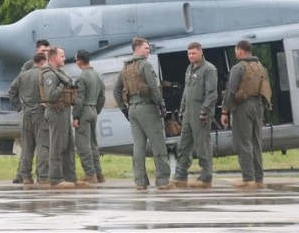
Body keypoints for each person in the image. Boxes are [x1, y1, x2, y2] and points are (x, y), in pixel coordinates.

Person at [113, 37, 174, 190]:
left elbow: (116, 91)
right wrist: (161, 105)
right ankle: (163, 181)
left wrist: (125, 110)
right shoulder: (145, 65)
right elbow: (154, 87)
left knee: (138, 146)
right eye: (146, 48)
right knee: (158, 144)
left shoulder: (125, 68)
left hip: (132, 110)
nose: (149, 50)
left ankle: (140, 182)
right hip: (147, 108)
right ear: (138, 49)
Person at [221, 40, 272, 189]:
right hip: (259, 105)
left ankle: (248, 179)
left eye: (236, 51)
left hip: (243, 106)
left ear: (240, 51)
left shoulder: (238, 68)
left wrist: (225, 110)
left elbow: (231, 91)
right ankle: (259, 179)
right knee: (256, 142)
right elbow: (267, 88)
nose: (235, 53)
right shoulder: (261, 67)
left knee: (243, 142)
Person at [41, 46, 88, 189]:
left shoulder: (59, 73)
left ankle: (70, 177)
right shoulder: (50, 75)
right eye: (61, 56)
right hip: (56, 112)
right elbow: (51, 95)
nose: (64, 58)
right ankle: (55, 179)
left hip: (64, 112)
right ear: (54, 58)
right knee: (57, 146)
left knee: (68, 146)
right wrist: (61, 86)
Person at [173, 41, 218, 188]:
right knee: (184, 144)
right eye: (189, 53)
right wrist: (182, 108)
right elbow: (186, 90)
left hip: (201, 111)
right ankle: (180, 176)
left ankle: (206, 177)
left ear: (201, 52)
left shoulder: (209, 69)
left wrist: (205, 111)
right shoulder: (189, 69)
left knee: (202, 144)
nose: (191, 56)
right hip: (188, 112)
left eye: (193, 53)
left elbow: (212, 94)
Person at [8, 52, 49, 185]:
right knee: (43, 145)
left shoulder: (22, 75)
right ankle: (43, 176)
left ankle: (25, 176)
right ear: (42, 62)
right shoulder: (44, 75)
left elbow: (11, 91)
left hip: (26, 114)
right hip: (41, 113)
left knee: (27, 146)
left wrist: (19, 107)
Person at [73, 49, 106, 183]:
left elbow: (79, 99)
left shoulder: (81, 77)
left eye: (76, 60)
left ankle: (90, 174)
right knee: (93, 143)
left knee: (82, 144)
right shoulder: (98, 75)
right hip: (93, 110)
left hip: (84, 111)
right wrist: (96, 110)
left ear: (80, 61)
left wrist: (75, 116)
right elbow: (102, 97)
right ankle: (99, 174)